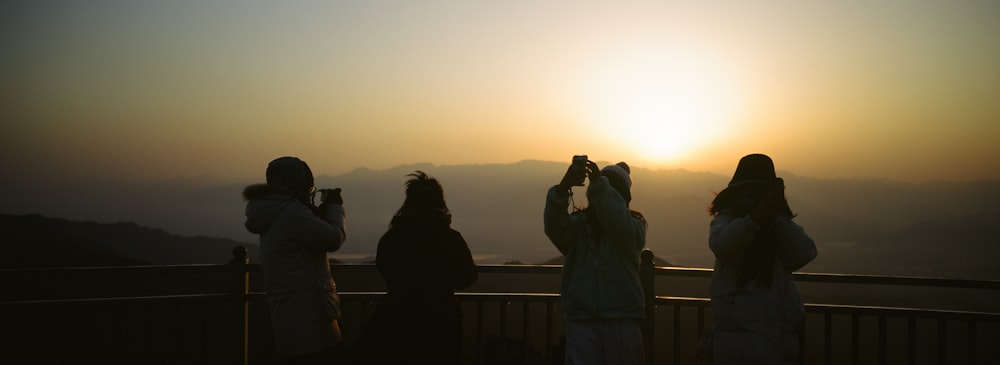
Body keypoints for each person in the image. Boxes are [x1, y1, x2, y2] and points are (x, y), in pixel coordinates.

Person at [706, 154, 817, 365]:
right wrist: (753, 219)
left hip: (778, 346)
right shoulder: (727, 220)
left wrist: (775, 217)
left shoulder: (778, 224)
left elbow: (804, 254)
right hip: (739, 349)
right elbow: (723, 246)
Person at [359, 171, 478, 365]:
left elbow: (386, 270)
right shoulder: (450, 238)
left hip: (397, 320)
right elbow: (468, 277)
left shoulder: (392, 238)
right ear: (440, 202)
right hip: (442, 322)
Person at [243, 156, 347, 364]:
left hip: (287, 321)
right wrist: (335, 208)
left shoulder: (273, 211)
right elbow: (333, 238)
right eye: (308, 188)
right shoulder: (292, 213)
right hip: (312, 323)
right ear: (297, 185)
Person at [543, 158, 647, 365]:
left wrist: (600, 185)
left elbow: (618, 221)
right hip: (583, 320)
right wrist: (563, 188)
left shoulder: (633, 227)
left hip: (621, 318)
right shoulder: (579, 226)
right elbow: (554, 227)